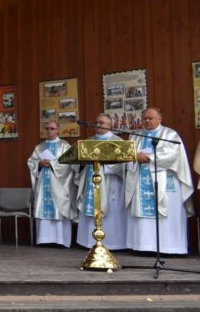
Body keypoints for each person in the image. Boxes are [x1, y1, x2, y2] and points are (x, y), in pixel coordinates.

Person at [124, 107, 193, 254]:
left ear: (159, 119)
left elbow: (172, 154)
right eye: (145, 118)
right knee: (142, 216)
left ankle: (170, 248)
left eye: (150, 118)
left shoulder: (170, 134)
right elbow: (128, 154)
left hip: (164, 180)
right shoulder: (135, 136)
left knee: (166, 214)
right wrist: (135, 157)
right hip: (140, 179)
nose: (147, 121)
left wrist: (148, 158)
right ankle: (143, 246)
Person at [75, 114, 127, 250]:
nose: (98, 124)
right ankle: (88, 242)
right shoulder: (88, 141)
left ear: (109, 125)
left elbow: (123, 163)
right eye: (96, 122)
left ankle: (112, 243)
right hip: (90, 180)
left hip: (110, 182)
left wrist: (105, 167)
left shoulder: (118, 141)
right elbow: (79, 161)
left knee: (111, 211)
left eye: (102, 122)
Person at [27, 121, 77, 248]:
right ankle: (44, 239)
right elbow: (31, 161)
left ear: (57, 131)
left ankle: (61, 240)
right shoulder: (39, 147)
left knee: (59, 208)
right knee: (43, 208)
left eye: (52, 128)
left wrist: (52, 163)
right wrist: (39, 164)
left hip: (60, 185)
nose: (49, 131)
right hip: (44, 182)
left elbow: (71, 163)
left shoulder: (65, 146)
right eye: (47, 128)